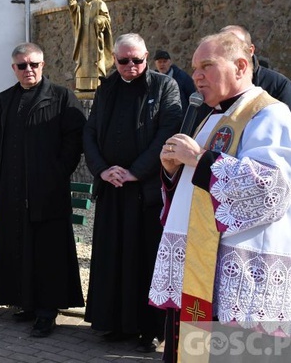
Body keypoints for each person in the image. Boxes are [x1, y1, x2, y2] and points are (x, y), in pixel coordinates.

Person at [150, 31, 291, 362]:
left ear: (240, 65)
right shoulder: (210, 117)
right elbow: (193, 191)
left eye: (207, 65)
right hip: (200, 267)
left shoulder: (270, 114)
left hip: (243, 275)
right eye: (194, 67)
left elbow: (270, 189)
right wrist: (172, 172)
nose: (196, 75)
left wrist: (200, 159)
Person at [83, 33, 182, 352]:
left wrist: (135, 171)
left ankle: (150, 328)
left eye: (137, 60)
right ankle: (114, 323)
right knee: (114, 258)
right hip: (112, 189)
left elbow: (168, 132)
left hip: (146, 191)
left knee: (145, 261)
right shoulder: (107, 87)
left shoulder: (164, 86)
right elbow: (91, 132)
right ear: (114, 59)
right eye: (123, 61)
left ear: (146, 57)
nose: (130, 66)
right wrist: (102, 169)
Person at [0, 42, 86, 338]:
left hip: (47, 191)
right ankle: (26, 302)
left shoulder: (61, 97)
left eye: (33, 64)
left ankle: (47, 311)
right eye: (22, 65)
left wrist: (56, 173)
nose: (28, 70)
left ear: (43, 66)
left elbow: (75, 140)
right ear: (13, 68)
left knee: (47, 253)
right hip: (13, 191)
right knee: (19, 247)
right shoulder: (6, 100)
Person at [220, 25, 291, 126]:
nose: (229, 54)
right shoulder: (210, 87)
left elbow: (287, 134)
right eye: (223, 48)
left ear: (250, 51)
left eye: (234, 47)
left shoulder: (279, 86)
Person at [69, 0, 113, 91]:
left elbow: (106, 20)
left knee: (95, 62)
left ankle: (96, 83)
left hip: (95, 39)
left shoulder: (100, 4)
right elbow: (76, 16)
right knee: (83, 61)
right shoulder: (82, 4)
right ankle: (82, 85)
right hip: (83, 39)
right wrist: (73, 6)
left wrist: (100, 20)